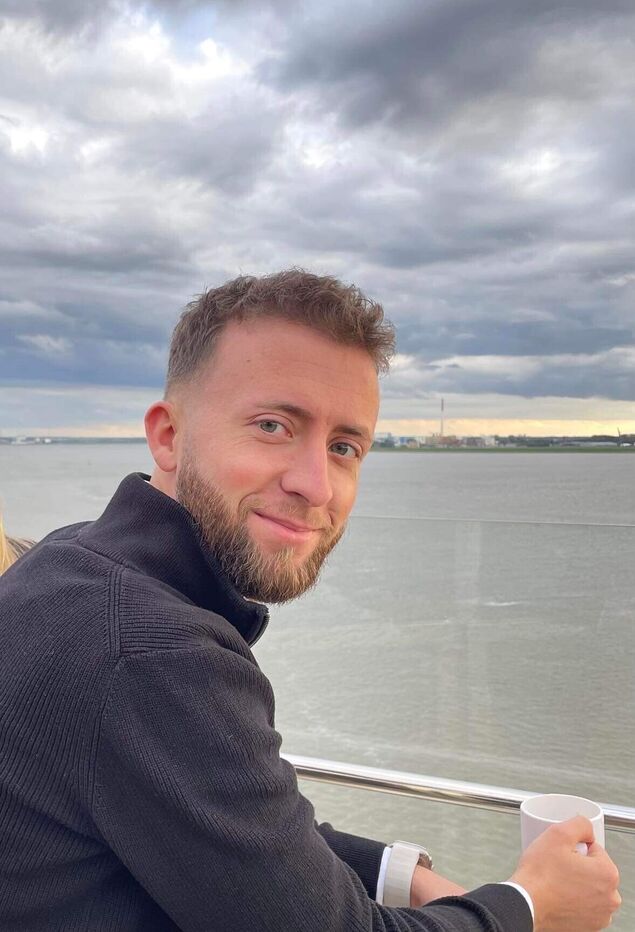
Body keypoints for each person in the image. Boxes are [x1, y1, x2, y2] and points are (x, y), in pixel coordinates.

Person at [0, 270, 620, 931]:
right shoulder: (152, 655)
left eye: (344, 446)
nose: (316, 485)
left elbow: (230, 821)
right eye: (272, 425)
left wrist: (399, 873)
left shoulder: (70, 561)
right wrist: (532, 904)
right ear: (169, 436)